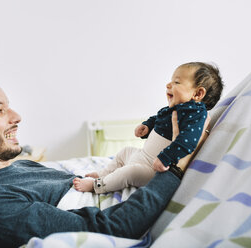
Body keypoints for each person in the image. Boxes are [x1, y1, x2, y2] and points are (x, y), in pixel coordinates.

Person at [0, 78, 209, 248]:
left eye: (9, 106)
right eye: (0, 110)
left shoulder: (20, 167)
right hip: (166, 184)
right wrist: (176, 165)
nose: (16, 116)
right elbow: (108, 230)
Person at [74, 62, 223, 194]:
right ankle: (103, 174)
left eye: (177, 82)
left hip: (153, 170)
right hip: (142, 156)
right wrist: (147, 125)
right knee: (125, 152)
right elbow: (159, 117)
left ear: (198, 93)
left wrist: (166, 158)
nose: (168, 85)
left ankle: (97, 186)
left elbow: (188, 141)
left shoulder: (195, 115)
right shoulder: (175, 108)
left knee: (129, 172)